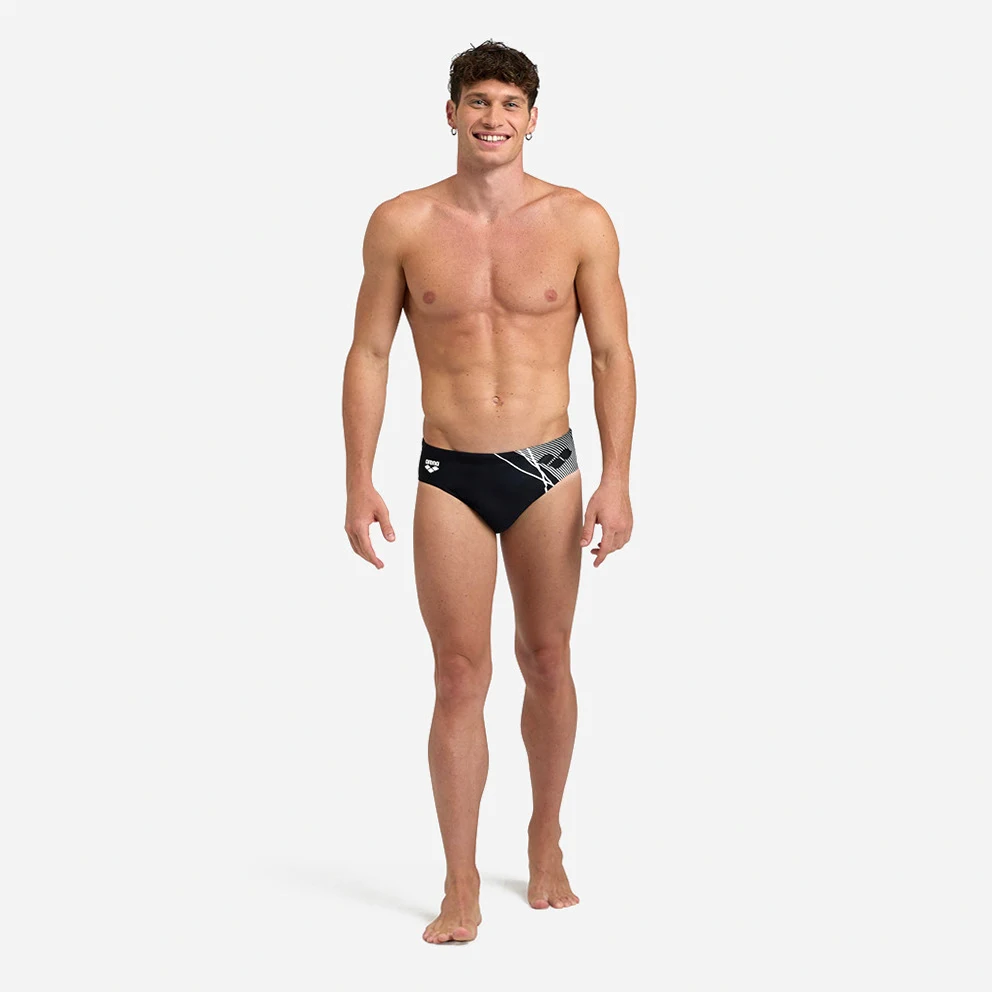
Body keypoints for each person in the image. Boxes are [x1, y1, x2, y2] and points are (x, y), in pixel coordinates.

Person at [342, 39, 636, 944]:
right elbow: (370, 352)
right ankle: (460, 880)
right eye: (478, 101)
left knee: (548, 660)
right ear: (451, 114)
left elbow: (611, 353)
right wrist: (358, 479)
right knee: (457, 675)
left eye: (510, 103)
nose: (493, 118)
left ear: (533, 119)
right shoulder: (402, 222)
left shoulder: (580, 220)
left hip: (546, 469)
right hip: (450, 471)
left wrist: (617, 479)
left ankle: (546, 839)